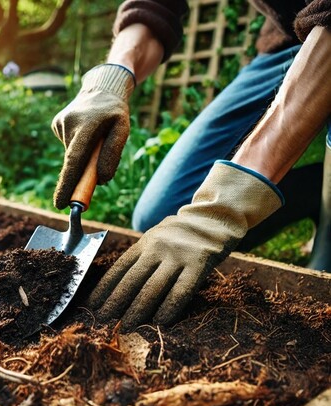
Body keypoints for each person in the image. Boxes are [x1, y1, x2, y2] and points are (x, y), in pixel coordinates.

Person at [51, 0, 331, 331]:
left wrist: (223, 208)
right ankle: (319, 188)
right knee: (163, 214)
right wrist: (110, 80)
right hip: (289, 42)